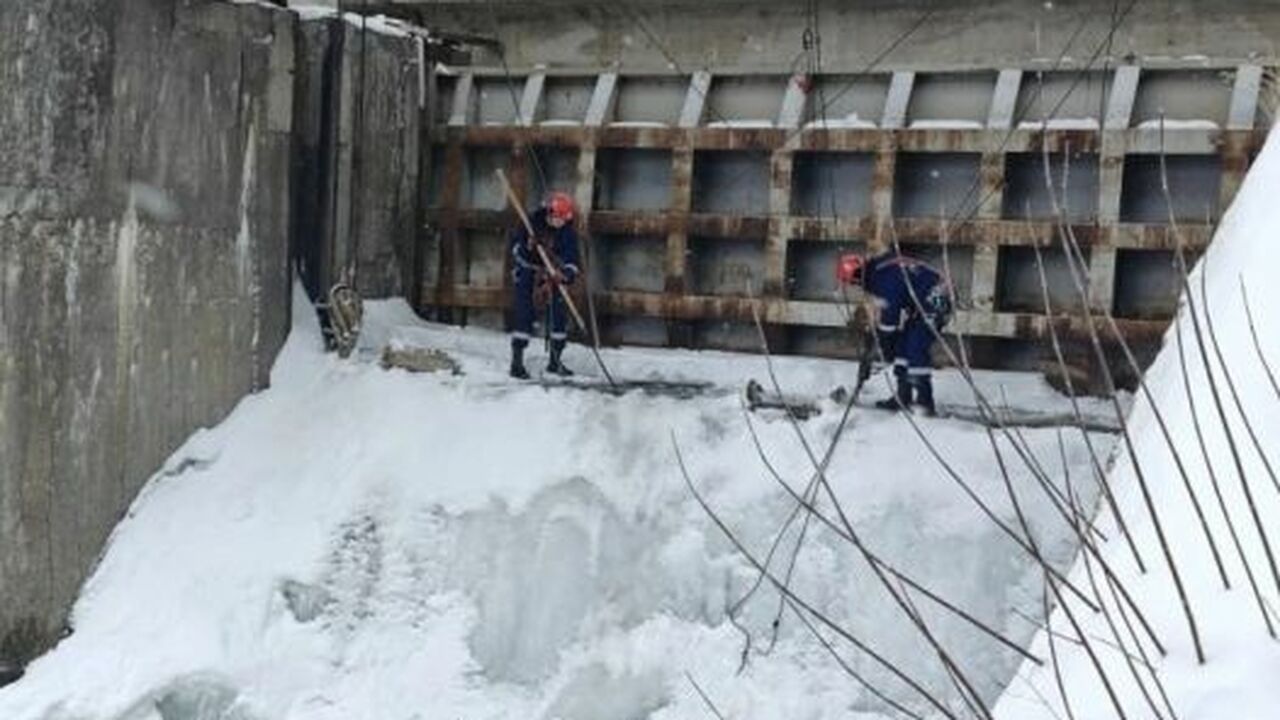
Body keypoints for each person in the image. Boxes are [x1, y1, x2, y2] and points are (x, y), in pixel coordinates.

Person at [836, 249, 952, 415]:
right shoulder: (878, 270)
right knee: (902, 346)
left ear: (856, 276)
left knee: (915, 347)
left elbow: (890, 318)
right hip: (919, 305)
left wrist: (883, 344)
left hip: (936, 301)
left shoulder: (882, 280)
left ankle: (925, 402)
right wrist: (884, 345)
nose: (855, 286)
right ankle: (903, 397)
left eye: (852, 283)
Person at [509, 191, 581, 379]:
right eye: (557, 218)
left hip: (552, 275)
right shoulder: (530, 224)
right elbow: (516, 249)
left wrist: (565, 274)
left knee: (559, 315)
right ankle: (517, 362)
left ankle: (555, 361)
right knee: (524, 314)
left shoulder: (567, 232)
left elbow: (572, 258)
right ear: (548, 213)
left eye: (563, 220)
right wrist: (529, 247)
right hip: (528, 273)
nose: (559, 223)